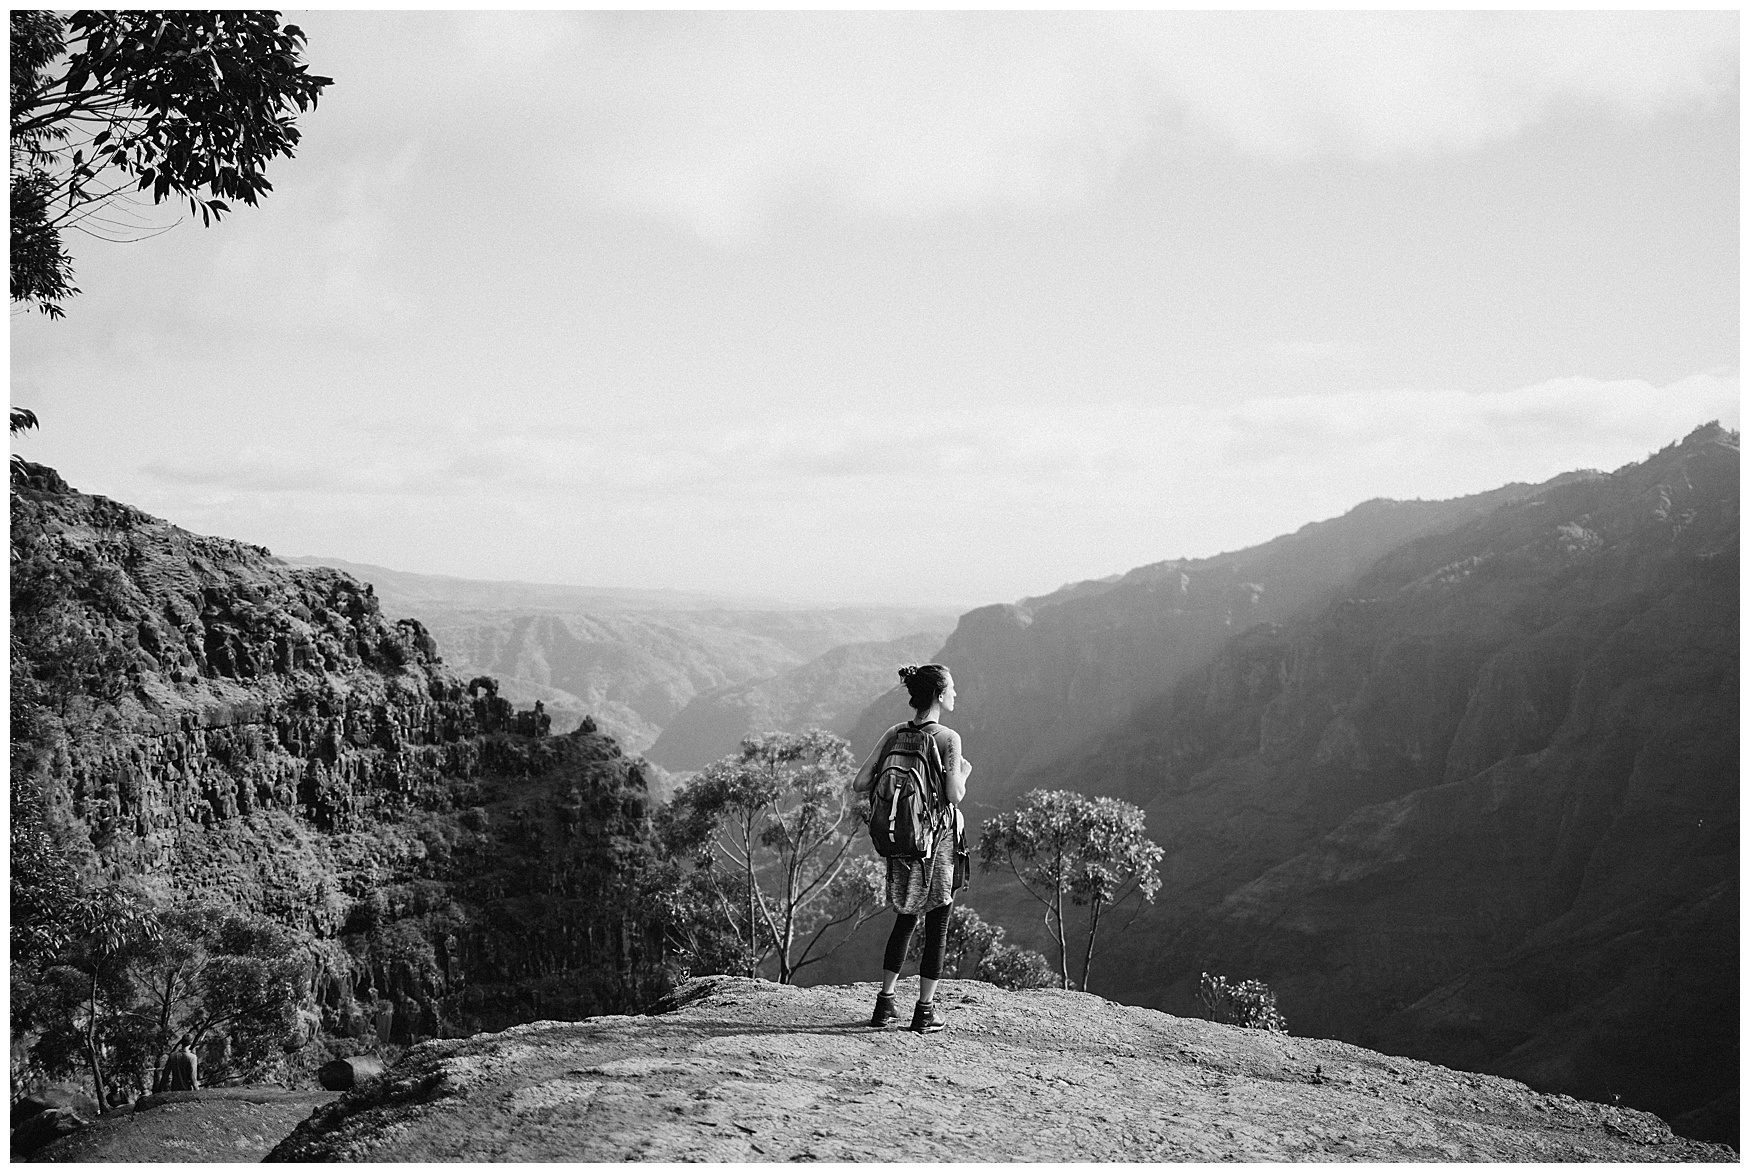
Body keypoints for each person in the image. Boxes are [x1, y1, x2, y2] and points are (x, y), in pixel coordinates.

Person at [853, 663, 971, 1034]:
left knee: (905, 917)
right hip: (935, 843)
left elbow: (860, 782)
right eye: (951, 688)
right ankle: (924, 1011)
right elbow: (954, 795)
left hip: (901, 837)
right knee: (937, 921)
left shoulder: (894, 732)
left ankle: (884, 1005)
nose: (955, 694)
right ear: (938, 695)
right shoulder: (948, 738)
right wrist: (964, 773)